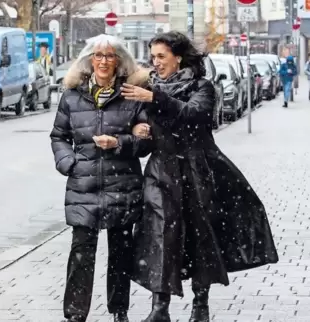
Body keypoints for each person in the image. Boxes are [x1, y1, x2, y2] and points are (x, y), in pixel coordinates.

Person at [121, 31, 279, 322]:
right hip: (160, 171)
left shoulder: (201, 86)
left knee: (199, 235)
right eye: (153, 57)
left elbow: (194, 115)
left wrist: (155, 98)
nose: (155, 63)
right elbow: (145, 135)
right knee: (161, 235)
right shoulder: (149, 88)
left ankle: (200, 305)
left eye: (161, 56)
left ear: (178, 57)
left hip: (197, 168)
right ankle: (160, 308)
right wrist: (137, 132)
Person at [50, 34, 153, 322]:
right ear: (89, 60)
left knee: (120, 253)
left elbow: (146, 143)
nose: (104, 61)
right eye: (98, 56)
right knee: (81, 251)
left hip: (123, 184)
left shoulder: (132, 95)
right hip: (83, 186)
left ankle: (119, 311)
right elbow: (59, 136)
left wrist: (120, 143)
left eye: (110, 56)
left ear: (119, 61)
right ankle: (74, 315)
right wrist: (69, 163)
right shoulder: (72, 95)